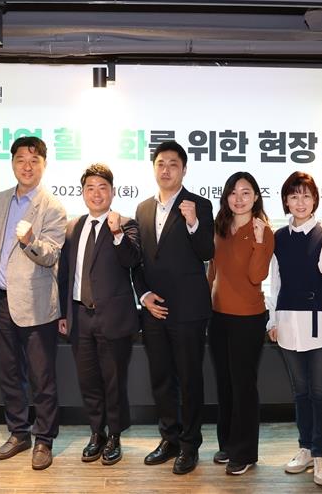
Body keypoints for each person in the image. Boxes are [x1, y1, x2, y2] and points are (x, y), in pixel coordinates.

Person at [132, 140, 214, 475]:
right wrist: (144, 295)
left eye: (173, 164)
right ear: (154, 168)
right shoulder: (142, 209)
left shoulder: (199, 205)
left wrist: (193, 223)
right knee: (162, 379)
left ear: (184, 169)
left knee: (190, 379)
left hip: (188, 311)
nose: (166, 170)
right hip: (154, 311)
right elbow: (137, 261)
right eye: (161, 164)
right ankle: (170, 438)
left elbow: (207, 251)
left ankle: (190, 444)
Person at [0, 136, 67, 470]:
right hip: (0, 302)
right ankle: (18, 433)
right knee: (8, 374)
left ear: (44, 165)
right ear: (12, 163)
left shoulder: (53, 207)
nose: (27, 166)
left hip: (36, 305)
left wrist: (31, 240)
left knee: (41, 377)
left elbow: (51, 256)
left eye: (34, 160)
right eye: (21, 159)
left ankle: (44, 439)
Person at [58, 163, 141, 466]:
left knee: (114, 381)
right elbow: (65, 274)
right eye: (90, 188)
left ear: (113, 192)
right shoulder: (74, 227)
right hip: (80, 316)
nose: (96, 194)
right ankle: (97, 432)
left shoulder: (127, 224)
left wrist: (117, 232)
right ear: (82, 193)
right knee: (89, 380)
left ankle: (115, 435)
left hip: (113, 318)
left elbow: (132, 260)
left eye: (102, 188)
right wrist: (63, 312)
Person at [267, 171, 322, 487]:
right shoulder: (278, 236)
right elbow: (274, 282)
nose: (300, 202)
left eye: (306, 196)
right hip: (288, 323)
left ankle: (321, 453)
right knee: (300, 392)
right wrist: (272, 320)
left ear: (315, 200)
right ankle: (305, 449)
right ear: (286, 201)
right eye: (294, 196)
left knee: (320, 392)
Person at [207, 171, 274, 476]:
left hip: (248, 318)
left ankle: (245, 452)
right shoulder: (220, 227)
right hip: (218, 316)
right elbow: (213, 272)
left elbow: (257, 275)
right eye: (233, 192)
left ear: (256, 197)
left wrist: (259, 241)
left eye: (246, 192)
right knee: (224, 382)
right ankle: (228, 443)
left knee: (243, 385)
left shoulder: (263, 231)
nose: (239, 198)